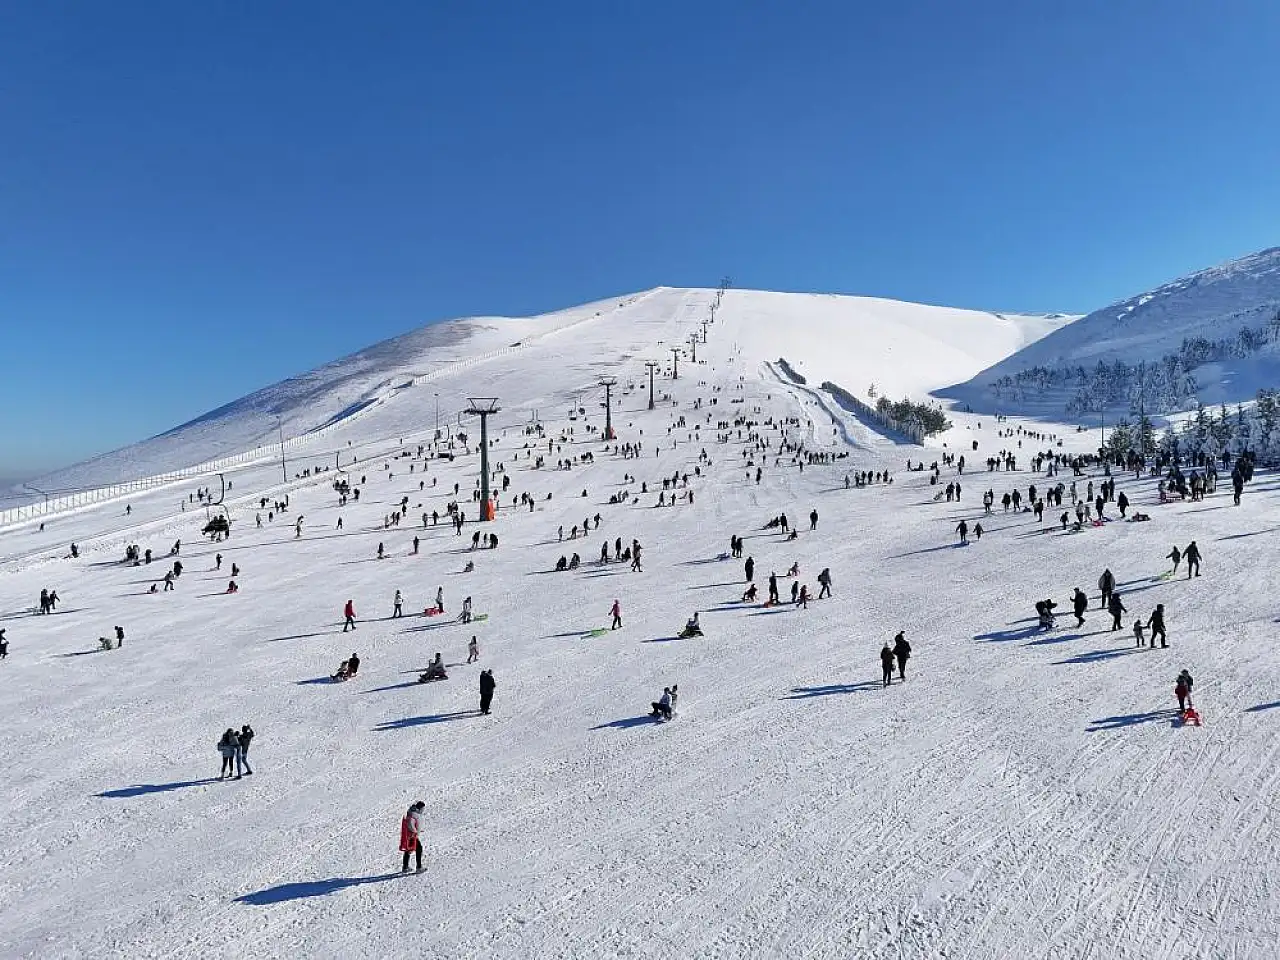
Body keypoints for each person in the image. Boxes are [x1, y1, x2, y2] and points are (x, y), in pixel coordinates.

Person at [400, 801, 425, 874]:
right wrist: (415, 831)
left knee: (408, 849)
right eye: (422, 808)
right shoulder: (413, 814)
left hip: (411, 835)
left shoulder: (414, 813)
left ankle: (405, 867)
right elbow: (410, 824)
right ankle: (419, 867)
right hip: (412, 835)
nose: (423, 810)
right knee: (419, 849)